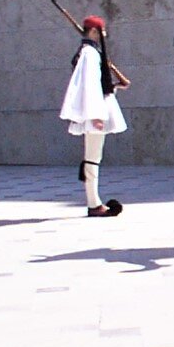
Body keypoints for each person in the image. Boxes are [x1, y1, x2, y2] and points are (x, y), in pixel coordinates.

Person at [59, 15, 128, 217]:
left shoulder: (88, 52)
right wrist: (96, 115)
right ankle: (93, 203)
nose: (103, 36)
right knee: (92, 158)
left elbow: (96, 84)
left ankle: (94, 201)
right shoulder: (90, 53)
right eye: (101, 32)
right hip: (95, 111)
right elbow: (89, 85)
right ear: (94, 32)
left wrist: (112, 87)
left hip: (95, 109)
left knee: (92, 157)